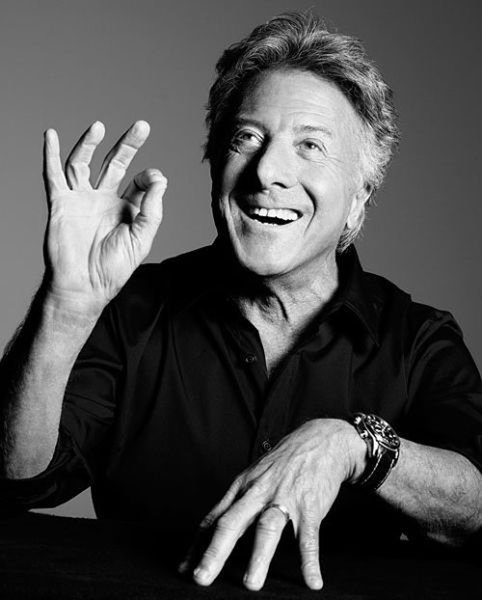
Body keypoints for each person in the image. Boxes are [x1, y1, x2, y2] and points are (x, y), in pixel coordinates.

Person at [0, 11, 481, 592]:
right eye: (246, 138)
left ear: (360, 196)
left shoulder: (417, 338)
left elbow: (476, 508)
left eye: (310, 146)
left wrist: (355, 446)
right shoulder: (134, 310)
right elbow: (17, 479)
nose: (267, 171)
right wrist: (65, 306)